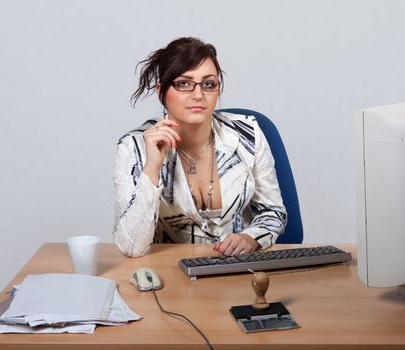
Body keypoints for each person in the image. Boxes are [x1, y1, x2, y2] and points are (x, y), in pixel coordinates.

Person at [113, 37, 287, 257]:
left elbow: (272, 212)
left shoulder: (248, 135)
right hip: (167, 275)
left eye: (208, 84)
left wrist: (251, 238)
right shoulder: (134, 147)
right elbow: (132, 247)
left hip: (237, 271)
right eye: (184, 83)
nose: (198, 95)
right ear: (161, 92)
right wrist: (152, 168)